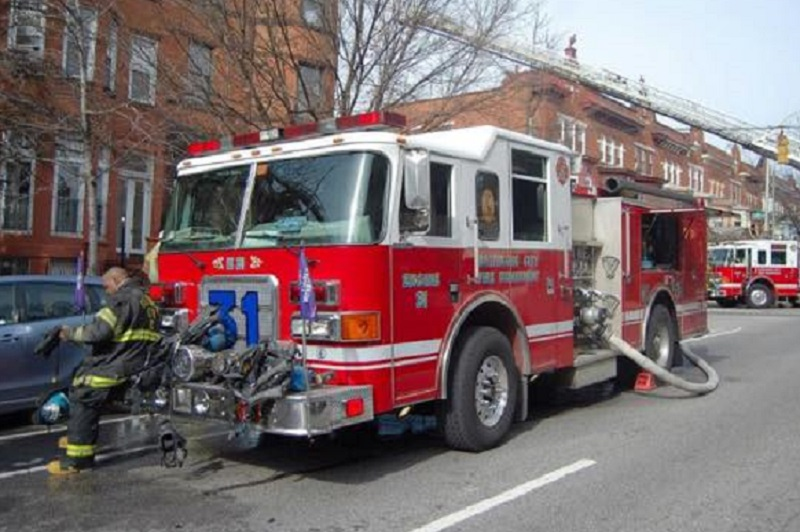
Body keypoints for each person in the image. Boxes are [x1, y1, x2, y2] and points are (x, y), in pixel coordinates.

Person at [47, 267, 161, 475]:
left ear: (117, 280)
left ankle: (77, 460)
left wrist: (68, 333)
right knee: (83, 386)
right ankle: (78, 436)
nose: (106, 291)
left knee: (83, 393)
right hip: (137, 366)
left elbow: (99, 332)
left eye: (106, 286)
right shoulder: (148, 303)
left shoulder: (121, 300)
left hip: (115, 365)